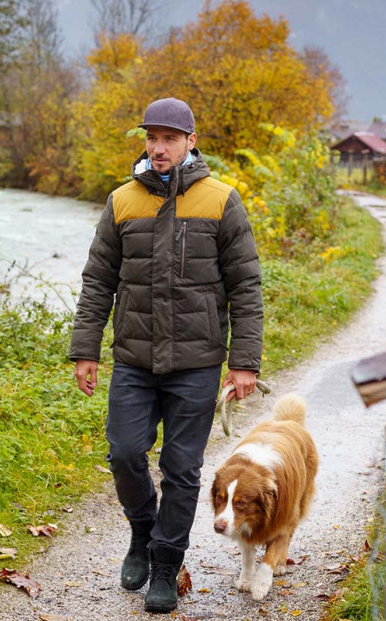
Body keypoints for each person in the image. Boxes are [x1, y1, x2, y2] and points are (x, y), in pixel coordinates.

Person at [69, 97, 263, 613]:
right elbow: (97, 282)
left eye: (170, 139)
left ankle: (164, 562)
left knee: (181, 469)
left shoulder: (222, 201)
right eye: (152, 138)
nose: (159, 148)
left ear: (190, 142)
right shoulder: (122, 201)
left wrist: (244, 361)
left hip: (197, 364)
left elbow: (246, 286)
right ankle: (142, 531)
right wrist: (84, 350)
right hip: (134, 360)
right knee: (125, 453)